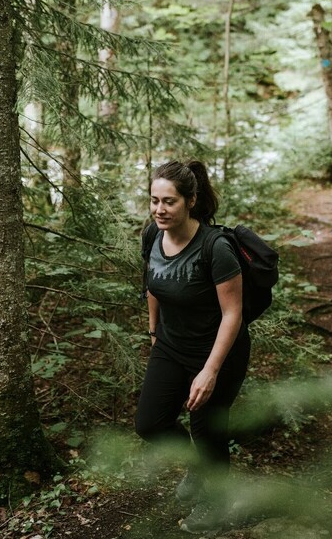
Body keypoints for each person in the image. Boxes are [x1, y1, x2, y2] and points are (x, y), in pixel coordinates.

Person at [134, 159, 249, 534]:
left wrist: (210, 371)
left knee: (208, 430)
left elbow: (232, 314)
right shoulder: (152, 235)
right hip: (171, 343)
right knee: (150, 424)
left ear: (190, 201)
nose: (159, 210)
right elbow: (153, 284)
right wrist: (154, 333)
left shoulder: (215, 248)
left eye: (169, 202)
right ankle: (198, 469)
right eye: (154, 201)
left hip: (218, 351)